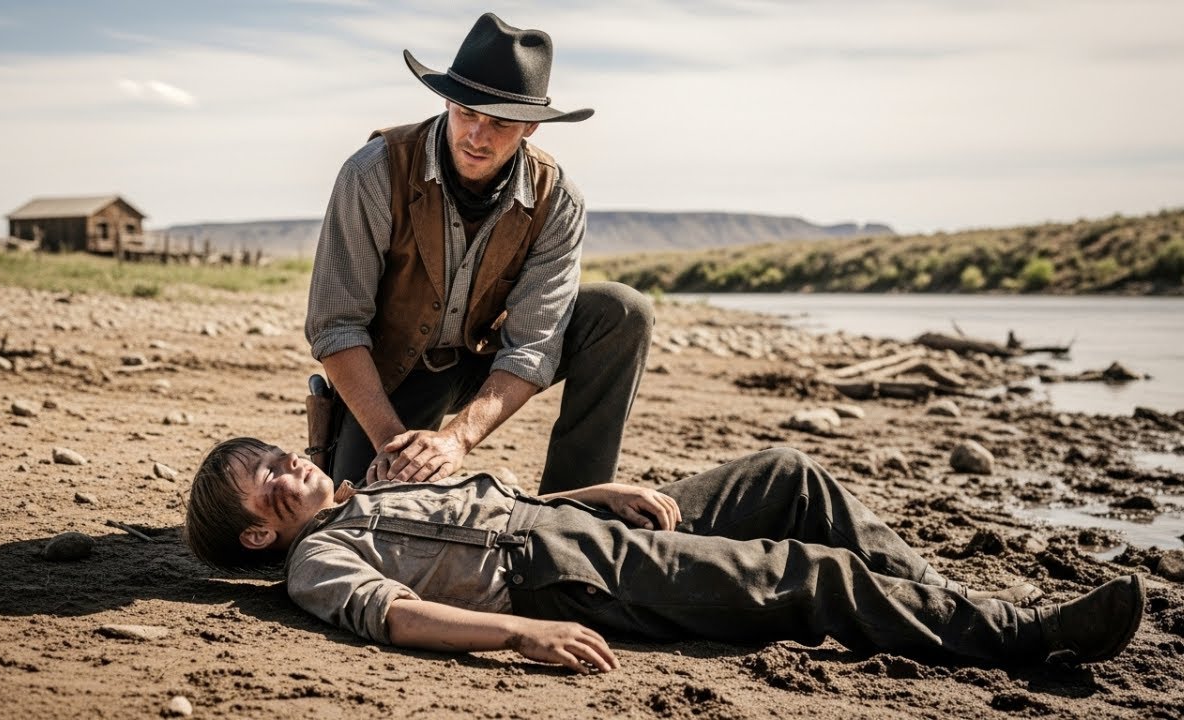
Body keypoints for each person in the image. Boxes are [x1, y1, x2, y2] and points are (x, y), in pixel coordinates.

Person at [183, 438, 1145, 673]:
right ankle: (1021, 638)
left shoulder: (373, 484)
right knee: (808, 577)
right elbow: (397, 616)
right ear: (261, 534)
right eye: (262, 483)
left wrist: (600, 493)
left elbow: (502, 499)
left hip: (572, 525)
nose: (283, 465)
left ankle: (941, 597)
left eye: (272, 454)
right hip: (565, 574)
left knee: (788, 476)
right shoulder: (318, 562)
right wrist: (519, 633)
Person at [304, 12, 652, 495]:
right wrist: (391, 443)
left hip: (479, 361)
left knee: (622, 312)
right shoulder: (373, 173)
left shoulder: (558, 199)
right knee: (361, 508)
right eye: (467, 113)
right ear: (448, 100)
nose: (477, 136)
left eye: (500, 122)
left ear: (531, 125)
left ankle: (576, 516)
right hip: (389, 374)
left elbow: (533, 344)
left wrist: (455, 441)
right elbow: (337, 325)